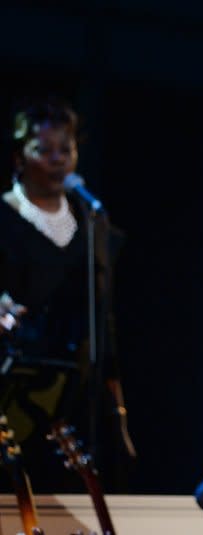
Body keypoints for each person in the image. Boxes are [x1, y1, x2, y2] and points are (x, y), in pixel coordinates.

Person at [0, 98, 132, 493]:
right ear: (20, 157)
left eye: (66, 149)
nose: (58, 160)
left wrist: (118, 414)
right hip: (17, 388)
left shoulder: (92, 223)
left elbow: (103, 319)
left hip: (76, 393)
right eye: (44, 150)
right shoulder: (5, 218)